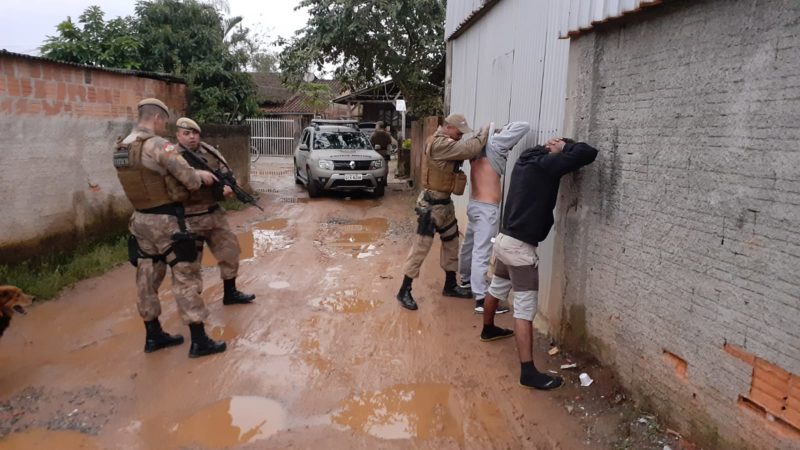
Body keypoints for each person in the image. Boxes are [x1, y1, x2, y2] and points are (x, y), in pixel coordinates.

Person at [479, 137, 598, 390]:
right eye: (556, 143)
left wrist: (554, 146)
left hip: (503, 240)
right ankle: (528, 372)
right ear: (551, 149)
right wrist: (565, 147)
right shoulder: (547, 164)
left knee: (497, 287)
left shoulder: (526, 160)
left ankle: (488, 329)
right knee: (524, 310)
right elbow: (588, 153)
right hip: (520, 248)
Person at [113, 98, 226, 358]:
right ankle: (199, 341)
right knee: (186, 277)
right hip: (167, 222)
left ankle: (153, 335)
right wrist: (201, 176)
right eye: (165, 121)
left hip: (139, 221)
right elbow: (189, 179)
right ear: (157, 118)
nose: (165, 126)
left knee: (146, 279)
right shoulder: (157, 145)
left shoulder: (122, 146)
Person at [396, 113, 489, 310]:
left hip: (445, 204)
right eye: (458, 132)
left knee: (452, 244)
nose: (460, 136)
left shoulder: (447, 142)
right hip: (431, 207)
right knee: (420, 249)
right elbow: (470, 148)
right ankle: (404, 290)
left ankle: (450, 285)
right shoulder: (440, 144)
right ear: (447, 127)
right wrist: (485, 132)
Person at [174, 117, 256, 306]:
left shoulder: (210, 152)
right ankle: (192, 305)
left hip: (213, 213)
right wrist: (199, 177)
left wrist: (226, 188)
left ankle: (230, 293)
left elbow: (226, 173)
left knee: (230, 251)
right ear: (178, 135)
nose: (192, 137)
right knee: (190, 265)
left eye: (195, 133)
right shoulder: (172, 157)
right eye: (186, 133)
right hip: (188, 217)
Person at [458, 122, 530, 314]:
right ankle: (481, 298)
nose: (510, 146)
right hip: (487, 209)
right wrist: (496, 127)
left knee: (469, 245)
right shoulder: (495, 145)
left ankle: (465, 279)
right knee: (482, 251)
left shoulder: (475, 149)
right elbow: (524, 126)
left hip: (474, 205)